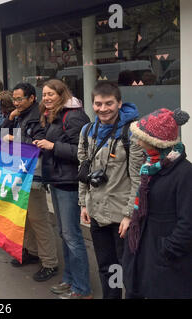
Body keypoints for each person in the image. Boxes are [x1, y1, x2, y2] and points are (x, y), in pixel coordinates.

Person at [78, 82, 144, 299]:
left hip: (121, 216)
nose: (103, 109)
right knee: (108, 266)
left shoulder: (132, 133)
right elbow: (83, 169)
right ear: (92, 104)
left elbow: (138, 179)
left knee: (130, 270)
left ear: (119, 103)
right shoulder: (88, 130)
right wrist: (83, 204)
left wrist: (129, 215)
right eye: (98, 104)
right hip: (97, 212)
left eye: (109, 103)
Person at [123, 108, 192, 299]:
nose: (137, 142)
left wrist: (167, 250)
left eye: (141, 137)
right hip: (144, 251)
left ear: (157, 142)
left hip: (165, 262)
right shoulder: (150, 166)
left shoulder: (185, 173)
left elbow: (187, 223)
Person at [33, 79, 91, 299]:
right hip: (56, 179)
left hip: (69, 182)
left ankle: (83, 289)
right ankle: (70, 280)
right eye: (44, 94)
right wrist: (42, 141)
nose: (46, 98)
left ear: (62, 94)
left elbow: (82, 151)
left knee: (72, 236)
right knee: (65, 234)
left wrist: (53, 146)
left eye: (51, 94)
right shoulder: (53, 114)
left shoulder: (74, 115)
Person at [2, 83, 59, 283]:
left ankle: (50, 262)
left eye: (19, 99)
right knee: (24, 217)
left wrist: (14, 140)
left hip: (33, 175)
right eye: (14, 100)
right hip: (20, 173)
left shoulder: (38, 117)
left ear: (32, 98)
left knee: (39, 220)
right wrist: (10, 118)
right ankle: (32, 251)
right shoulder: (20, 115)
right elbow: (3, 134)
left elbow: (37, 145)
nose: (16, 103)